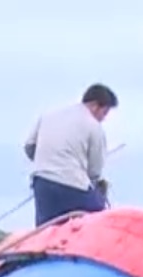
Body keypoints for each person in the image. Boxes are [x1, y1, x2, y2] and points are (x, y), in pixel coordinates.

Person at [24, 84, 117, 228]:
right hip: (73, 186)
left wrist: (48, 162)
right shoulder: (94, 126)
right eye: (104, 113)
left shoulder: (49, 115)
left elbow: (29, 146)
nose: (103, 119)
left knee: (45, 230)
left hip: (42, 183)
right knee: (99, 221)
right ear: (95, 106)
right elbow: (94, 172)